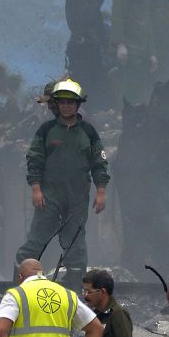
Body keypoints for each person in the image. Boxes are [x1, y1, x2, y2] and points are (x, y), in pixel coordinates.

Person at [15, 79, 109, 289]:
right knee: (36, 241)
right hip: (49, 196)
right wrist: (36, 189)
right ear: (56, 104)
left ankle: (76, 293)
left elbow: (99, 162)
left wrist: (101, 190)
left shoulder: (88, 132)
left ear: (78, 104)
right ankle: (19, 288)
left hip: (77, 198)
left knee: (75, 244)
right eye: (62, 102)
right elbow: (35, 160)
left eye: (70, 102)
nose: (66, 106)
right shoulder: (46, 130)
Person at [112, 0, 169, 272]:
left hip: (143, 54)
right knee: (130, 94)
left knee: (145, 93)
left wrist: (152, 53)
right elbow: (119, 17)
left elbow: (152, 27)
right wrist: (120, 44)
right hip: (127, 56)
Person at [65, 0, 112, 109]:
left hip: (92, 49)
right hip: (82, 52)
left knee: (99, 85)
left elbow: (97, 24)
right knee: (87, 88)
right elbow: (85, 19)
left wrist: (106, 45)